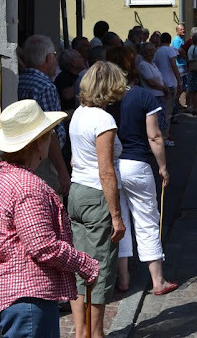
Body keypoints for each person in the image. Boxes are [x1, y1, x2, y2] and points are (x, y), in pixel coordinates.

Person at [0, 100, 99, 338]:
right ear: (37, 143)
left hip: (17, 295)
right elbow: (43, 245)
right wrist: (85, 265)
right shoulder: (27, 187)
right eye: (48, 134)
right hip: (27, 296)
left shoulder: (4, 181)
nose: (51, 139)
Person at [105, 49, 177, 297]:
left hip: (112, 165)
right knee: (147, 220)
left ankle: (123, 278)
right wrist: (163, 166)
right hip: (136, 164)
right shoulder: (143, 96)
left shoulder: (105, 99)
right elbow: (154, 136)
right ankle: (158, 280)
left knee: (120, 221)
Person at [68, 61, 127, 338]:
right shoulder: (103, 120)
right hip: (95, 195)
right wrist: (116, 216)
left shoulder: (78, 114)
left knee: (79, 265)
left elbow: (74, 158)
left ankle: (82, 332)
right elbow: (106, 171)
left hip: (77, 191)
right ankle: (96, 333)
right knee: (100, 268)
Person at [18, 35, 71, 196]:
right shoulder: (45, 86)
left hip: (25, 153)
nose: (56, 60)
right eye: (54, 55)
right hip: (44, 158)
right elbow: (49, 131)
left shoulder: (20, 79)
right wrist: (62, 171)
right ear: (48, 58)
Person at [137, 43, 172, 145]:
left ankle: (162, 140)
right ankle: (155, 144)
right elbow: (151, 82)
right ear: (143, 53)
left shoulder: (152, 63)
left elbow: (159, 78)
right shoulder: (143, 65)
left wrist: (165, 87)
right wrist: (164, 89)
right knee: (156, 121)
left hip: (160, 94)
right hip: (153, 96)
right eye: (149, 50)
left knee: (162, 119)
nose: (152, 52)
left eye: (153, 50)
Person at [154, 33, 182, 141]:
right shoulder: (170, 50)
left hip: (161, 83)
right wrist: (179, 81)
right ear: (169, 41)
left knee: (161, 111)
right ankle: (164, 137)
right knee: (168, 112)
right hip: (170, 83)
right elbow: (174, 65)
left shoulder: (157, 51)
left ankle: (162, 134)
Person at [172, 24, 187, 114]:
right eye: (181, 30)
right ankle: (177, 104)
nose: (183, 31)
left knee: (183, 86)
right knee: (180, 86)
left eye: (183, 29)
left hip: (182, 64)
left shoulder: (181, 39)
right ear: (177, 31)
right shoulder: (177, 40)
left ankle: (179, 103)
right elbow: (178, 52)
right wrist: (186, 57)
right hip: (180, 65)